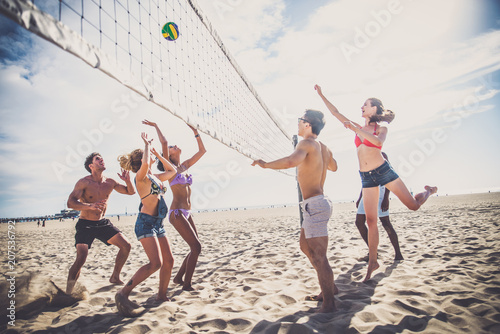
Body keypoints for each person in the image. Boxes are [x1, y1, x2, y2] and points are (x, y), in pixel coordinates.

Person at [315, 85, 437, 281]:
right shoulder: (358, 126)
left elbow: (378, 143)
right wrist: (321, 95)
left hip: (384, 172)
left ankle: (429, 191)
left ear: (375, 109)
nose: (362, 106)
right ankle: (373, 261)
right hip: (366, 177)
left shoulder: (381, 128)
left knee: (413, 206)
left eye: (366, 104)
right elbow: (336, 112)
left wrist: (355, 129)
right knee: (371, 221)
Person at [252, 109, 338, 313]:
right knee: (305, 247)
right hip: (316, 204)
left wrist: (265, 165)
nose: (298, 123)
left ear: (308, 124)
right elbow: (334, 167)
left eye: (300, 120)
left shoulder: (306, 143)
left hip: (315, 203)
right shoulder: (323, 147)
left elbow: (291, 161)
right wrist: (322, 159)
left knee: (319, 256)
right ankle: (330, 289)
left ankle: (329, 303)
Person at [115, 132, 177, 317]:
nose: (150, 157)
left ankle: (161, 295)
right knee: (155, 263)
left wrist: (158, 155)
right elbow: (143, 165)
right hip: (146, 224)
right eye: (148, 155)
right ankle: (123, 293)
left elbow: (173, 171)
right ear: (143, 158)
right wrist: (146, 145)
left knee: (169, 261)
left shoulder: (154, 176)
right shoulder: (140, 177)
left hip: (158, 223)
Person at [145, 121, 206, 291]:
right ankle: (187, 285)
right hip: (177, 212)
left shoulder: (184, 166)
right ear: (169, 155)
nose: (173, 146)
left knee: (195, 246)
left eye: (173, 146)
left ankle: (179, 277)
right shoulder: (169, 167)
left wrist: (195, 132)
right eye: (172, 147)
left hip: (187, 212)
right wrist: (157, 126)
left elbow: (202, 151)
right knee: (196, 247)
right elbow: (164, 143)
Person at [66, 152, 135, 295]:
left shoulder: (110, 182)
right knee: (81, 258)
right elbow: (70, 203)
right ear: (91, 166)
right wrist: (89, 206)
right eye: (98, 159)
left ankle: (115, 277)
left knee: (126, 246)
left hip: (102, 223)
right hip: (85, 224)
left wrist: (127, 180)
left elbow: (130, 192)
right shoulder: (84, 182)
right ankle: (68, 293)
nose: (102, 159)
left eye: (102, 158)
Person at [355, 153, 403, 261]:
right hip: (367, 190)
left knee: (385, 223)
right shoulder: (365, 153)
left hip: (380, 192)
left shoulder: (381, 154)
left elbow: (389, 176)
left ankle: (398, 254)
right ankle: (373, 253)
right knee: (359, 222)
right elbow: (365, 179)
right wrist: (359, 197)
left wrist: (386, 197)